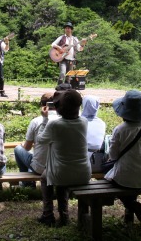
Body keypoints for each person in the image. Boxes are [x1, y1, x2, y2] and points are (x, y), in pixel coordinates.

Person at [36, 89, 91, 226]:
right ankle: (64, 216)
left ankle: (48, 214)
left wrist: (44, 119)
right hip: (83, 173)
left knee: (45, 177)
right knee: (62, 177)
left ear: (59, 108)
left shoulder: (55, 124)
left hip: (61, 174)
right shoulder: (84, 122)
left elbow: (40, 140)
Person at [105, 90, 141, 223]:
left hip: (125, 177)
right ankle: (130, 210)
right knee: (132, 179)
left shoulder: (120, 129)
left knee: (112, 181)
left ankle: (131, 205)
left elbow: (113, 155)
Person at [14, 92, 60, 188]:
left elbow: (27, 147)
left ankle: (27, 182)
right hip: (58, 166)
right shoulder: (63, 120)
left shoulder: (36, 121)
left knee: (18, 149)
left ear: (42, 105)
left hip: (40, 168)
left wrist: (23, 144)